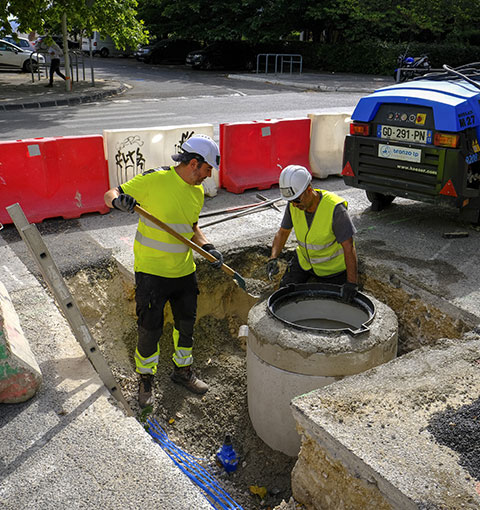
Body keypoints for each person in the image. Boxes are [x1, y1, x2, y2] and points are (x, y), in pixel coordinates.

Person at [104, 134, 223, 408]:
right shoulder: (154, 180)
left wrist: (209, 246)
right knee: (149, 330)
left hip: (183, 272)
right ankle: (146, 379)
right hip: (152, 273)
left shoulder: (197, 192)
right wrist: (118, 202)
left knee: (186, 327)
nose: (208, 176)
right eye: (207, 169)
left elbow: (191, 228)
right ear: (194, 163)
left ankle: (183, 372)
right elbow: (111, 193)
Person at [266, 165, 358, 301]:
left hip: (333, 271)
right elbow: (283, 232)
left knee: (331, 305)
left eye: (297, 200)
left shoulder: (335, 209)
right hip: (304, 263)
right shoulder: (293, 205)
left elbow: (348, 247)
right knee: (283, 296)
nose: (294, 205)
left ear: (309, 190)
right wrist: (273, 257)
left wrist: (351, 283)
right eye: (290, 201)